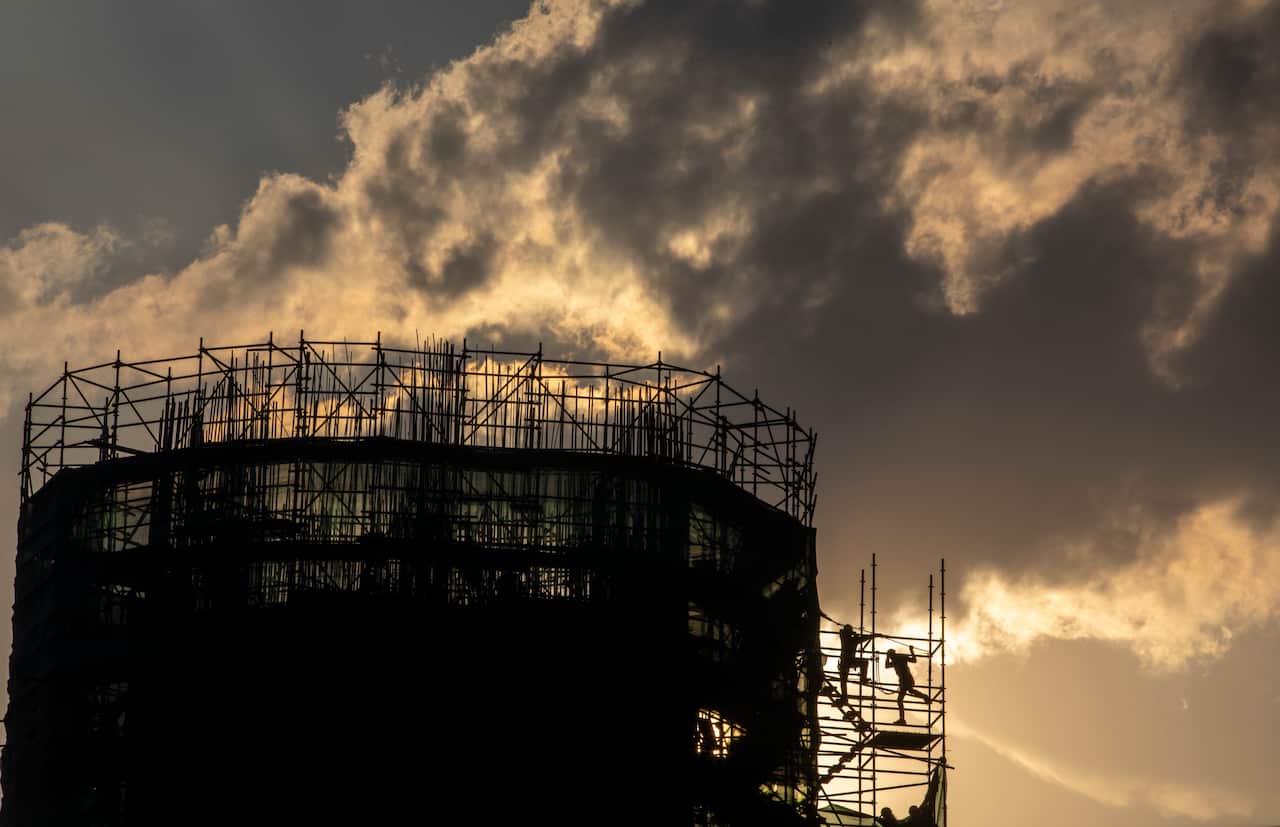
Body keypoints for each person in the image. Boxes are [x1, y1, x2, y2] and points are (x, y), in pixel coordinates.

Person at [884, 646, 930, 724]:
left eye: (890, 656)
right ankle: (925, 697)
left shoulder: (899, 658)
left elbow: (887, 665)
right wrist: (911, 651)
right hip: (905, 680)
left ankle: (902, 719)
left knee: (900, 699)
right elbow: (887, 666)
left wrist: (911, 650)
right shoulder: (897, 659)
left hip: (906, 680)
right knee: (910, 691)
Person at [838, 624, 872, 704]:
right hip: (849, 661)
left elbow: (842, 632)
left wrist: (854, 634)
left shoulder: (844, 637)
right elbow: (864, 638)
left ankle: (844, 697)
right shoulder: (853, 640)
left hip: (844, 661)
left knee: (843, 681)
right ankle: (863, 679)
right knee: (864, 663)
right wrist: (873, 636)